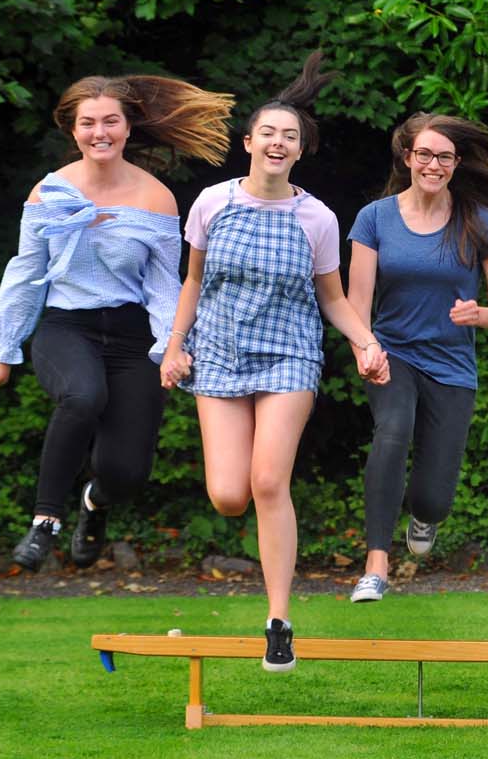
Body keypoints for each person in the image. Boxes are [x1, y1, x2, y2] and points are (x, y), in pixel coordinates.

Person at [160, 53, 388, 673]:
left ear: (299, 150)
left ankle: (279, 619)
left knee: (268, 482)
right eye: (269, 133)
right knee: (229, 495)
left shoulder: (315, 217)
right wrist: (176, 344)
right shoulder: (211, 203)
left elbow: (334, 299)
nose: (279, 142)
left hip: (290, 354)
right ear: (249, 142)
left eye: (290, 135)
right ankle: (276, 605)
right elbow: (192, 283)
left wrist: (366, 343)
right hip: (219, 356)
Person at [0, 74, 232, 571]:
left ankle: (94, 503)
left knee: (127, 473)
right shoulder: (49, 193)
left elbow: (162, 288)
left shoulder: (156, 198)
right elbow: (27, 273)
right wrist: (3, 349)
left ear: (128, 126)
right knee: (83, 395)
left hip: (134, 339)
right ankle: (45, 520)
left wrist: (172, 346)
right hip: (67, 327)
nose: (100, 132)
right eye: (88, 123)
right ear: (73, 130)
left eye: (110, 120)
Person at [345, 113, 488, 602]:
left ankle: (424, 514)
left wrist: (479, 314)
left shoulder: (478, 222)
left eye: (444, 156)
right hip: (391, 352)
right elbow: (356, 305)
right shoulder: (375, 219)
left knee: (434, 496)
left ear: (456, 163)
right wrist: (366, 349)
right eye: (424, 154)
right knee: (392, 431)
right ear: (407, 158)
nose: (433, 164)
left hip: (451, 365)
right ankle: (376, 565)